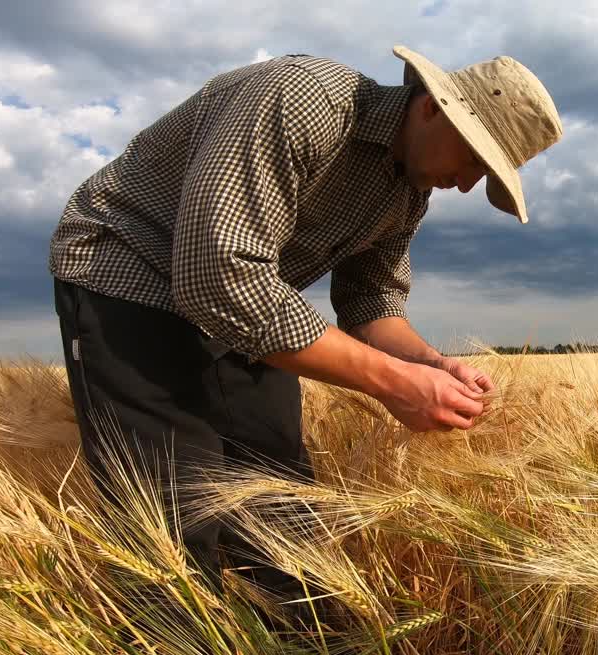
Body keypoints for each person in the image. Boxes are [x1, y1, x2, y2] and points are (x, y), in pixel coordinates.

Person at [48, 45, 563, 598]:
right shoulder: (302, 101)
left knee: (282, 508)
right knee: (172, 521)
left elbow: (373, 305)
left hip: (248, 309)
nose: (466, 185)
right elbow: (217, 274)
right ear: (432, 108)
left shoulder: (408, 191)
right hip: (129, 278)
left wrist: (430, 364)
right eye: (474, 159)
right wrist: (394, 383)